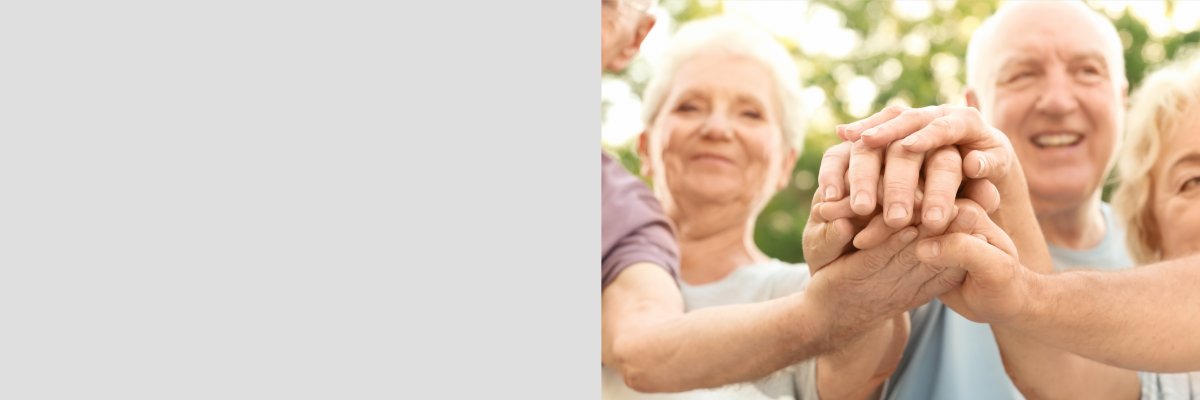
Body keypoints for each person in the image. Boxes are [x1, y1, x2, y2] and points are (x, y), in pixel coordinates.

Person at [598, 1, 978, 393]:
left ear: (785, 162)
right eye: (690, 106)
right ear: (644, 146)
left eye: (750, 114)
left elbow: (861, 365)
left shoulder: (810, 289)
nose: (717, 128)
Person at [811, 2, 1140, 398]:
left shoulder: (1172, 259)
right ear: (974, 107)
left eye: (1088, 71)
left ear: (1124, 100)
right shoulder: (921, 239)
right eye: (1022, 75)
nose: (1058, 101)